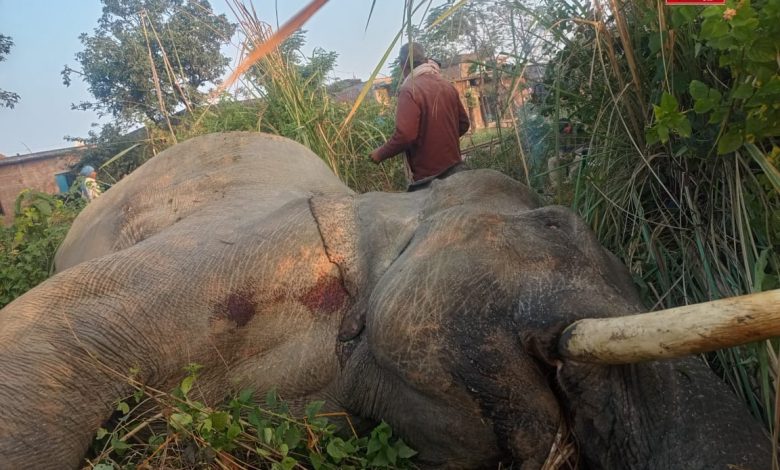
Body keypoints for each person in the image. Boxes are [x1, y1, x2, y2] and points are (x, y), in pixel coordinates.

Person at [370, 43, 470, 191]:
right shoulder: (447, 86)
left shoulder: (409, 89)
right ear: (425, 60)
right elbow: (463, 124)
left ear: (403, 65)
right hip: (456, 170)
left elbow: (405, 135)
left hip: (430, 179)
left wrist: (379, 154)